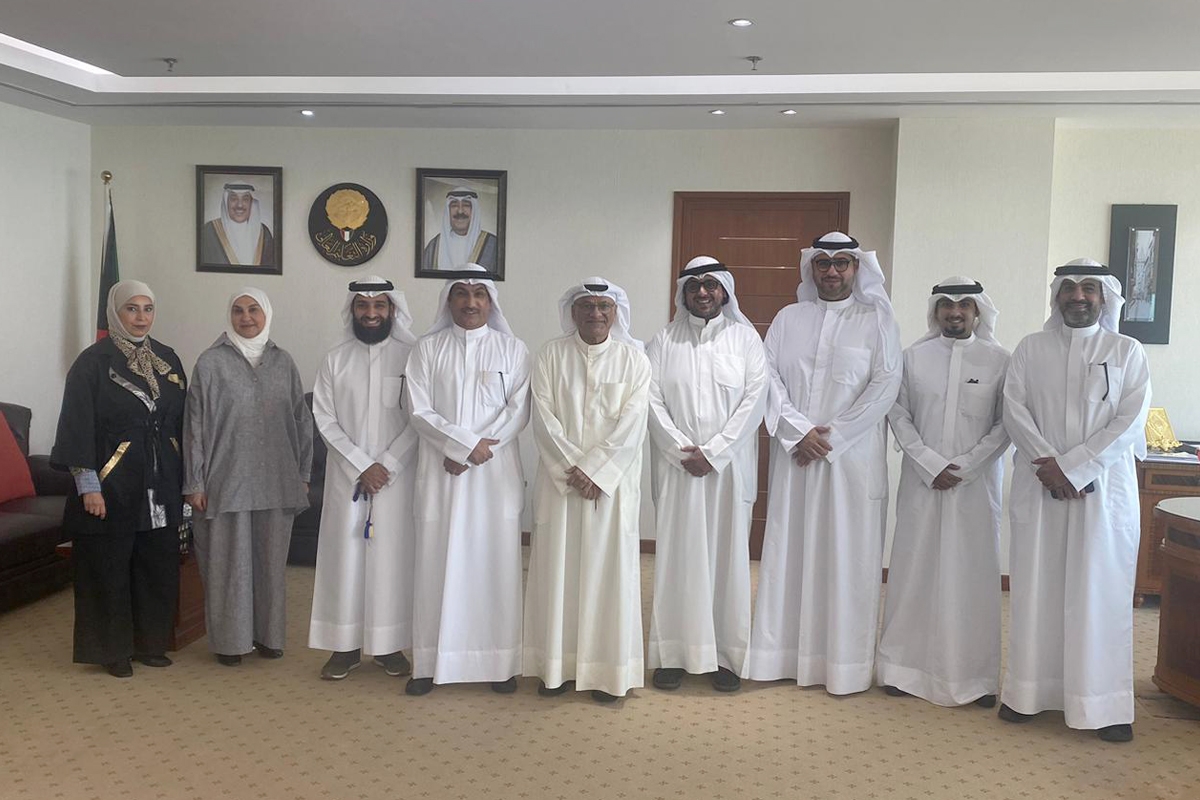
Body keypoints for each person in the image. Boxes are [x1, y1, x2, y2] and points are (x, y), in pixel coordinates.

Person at [1000, 259, 1151, 743]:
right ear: (1057, 296)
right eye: (1069, 288)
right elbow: (1014, 410)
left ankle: (1103, 705)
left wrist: (1075, 467)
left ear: (1104, 297)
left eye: (1088, 288)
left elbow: (1130, 420)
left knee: (1099, 593)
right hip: (1040, 485)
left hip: (1102, 492)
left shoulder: (1126, 351)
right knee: (1037, 589)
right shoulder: (1030, 348)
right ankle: (1028, 694)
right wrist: (1050, 466)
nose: (1078, 296)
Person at [746, 232, 902, 695]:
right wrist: (799, 432)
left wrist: (831, 438)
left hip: (851, 462)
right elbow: (767, 377)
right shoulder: (788, 318)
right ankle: (779, 658)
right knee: (788, 553)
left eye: (841, 263)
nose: (832, 271)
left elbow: (885, 386)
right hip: (796, 455)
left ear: (856, 269)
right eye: (823, 263)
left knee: (847, 559)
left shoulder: (878, 321)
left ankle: (844, 667)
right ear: (811, 268)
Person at [876, 277, 1011, 707]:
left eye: (965, 305)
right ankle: (902, 669)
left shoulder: (1000, 360)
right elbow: (898, 415)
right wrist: (930, 463)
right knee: (914, 571)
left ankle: (975, 678)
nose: (955, 312)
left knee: (972, 576)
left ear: (978, 311)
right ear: (935, 311)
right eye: (947, 305)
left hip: (976, 487)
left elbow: (1005, 424)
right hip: (922, 481)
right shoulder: (913, 358)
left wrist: (966, 466)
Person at [404, 265, 531, 696]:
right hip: (442, 474)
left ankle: (499, 663)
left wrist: (475, 450)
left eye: (479, 294)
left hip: (493, 478)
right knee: (435, 566)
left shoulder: (513, 349)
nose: (471, 302)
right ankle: (428, 663)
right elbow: (418, 409)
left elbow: (518, 411)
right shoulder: (426, 349)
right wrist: (460, 446)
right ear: (449, 300)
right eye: (461, 293)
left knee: (494, 567)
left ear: (491, 301)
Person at [51, 280, 187, 678]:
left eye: (148, 308)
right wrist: (88, 486)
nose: (141, 317)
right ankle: (113, 650)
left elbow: (184, 421)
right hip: (112, 482)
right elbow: (77, 426)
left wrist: (188, 478)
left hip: (161, 479)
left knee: (156, 563)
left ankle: (150, 643)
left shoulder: (167, 359)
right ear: (116, 312)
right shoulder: (92, 362)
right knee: (108, 568)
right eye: (132, 308)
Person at [523, 277, 650, 703]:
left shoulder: (634, 361)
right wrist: (576, 471)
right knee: (557, 573)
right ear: (572, 311)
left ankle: (607, 674)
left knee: (608, 576)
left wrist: (596, 472)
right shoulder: (550, 355)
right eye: (587, 306)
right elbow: (543, 418)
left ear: (615, 313)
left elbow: (633, 424)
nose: (595, 313)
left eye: (603, 306)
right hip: (562, 486)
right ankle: (555, 668)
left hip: (611, 489)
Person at [645, 256, 766, 693]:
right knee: (677, 560)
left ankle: (726, 657)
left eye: (711, 285)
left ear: (724, 291)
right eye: (694, 285)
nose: (702, 292)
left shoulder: (746, 340)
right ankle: (674, 654)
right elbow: (650, 400)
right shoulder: (663, 341)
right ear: (684, 293)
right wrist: (683, 452)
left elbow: (755, 401)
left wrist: (713, 453)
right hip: (677, 470)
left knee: (727, 561)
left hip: (728, 471)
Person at [182, 288, 313, 666]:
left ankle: (269, 637)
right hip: (226, 482)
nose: (246, 318)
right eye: (238, 311)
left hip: (277, 480)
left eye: (254, 310)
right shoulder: (210, 363)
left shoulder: (283, 362)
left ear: (266, 314)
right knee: (228, 567)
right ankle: (230, 643)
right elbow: (194, 426)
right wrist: (194, 482)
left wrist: (302, 473)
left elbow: (302, 421)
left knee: (270, 567)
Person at [308, 277, 420, 681]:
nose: (371, 314)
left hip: (397, 479)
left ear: (392, 310)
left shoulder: (412, 357)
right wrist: (361, 466)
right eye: (362, 306)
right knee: (345, 559)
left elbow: (419, 418)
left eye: (379, 306)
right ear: (352, 310)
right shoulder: (335, 359)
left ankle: (389, 645)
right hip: (348, 479)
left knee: (392, 561)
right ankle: (344, 646)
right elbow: (324, 418)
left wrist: (386, 464)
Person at [420, 187, 499, 272]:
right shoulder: (433, 247)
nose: (460, 211)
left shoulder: (492, 245)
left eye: (466, 205)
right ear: (448, 211)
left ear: (474, 210)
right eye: (454, 205)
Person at [199, 182, 276, 266]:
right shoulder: (209, 231)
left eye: (245, 199)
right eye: (233, 199)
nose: (239, 205)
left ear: (251, 203)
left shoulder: (264, 233)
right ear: (226, 202)